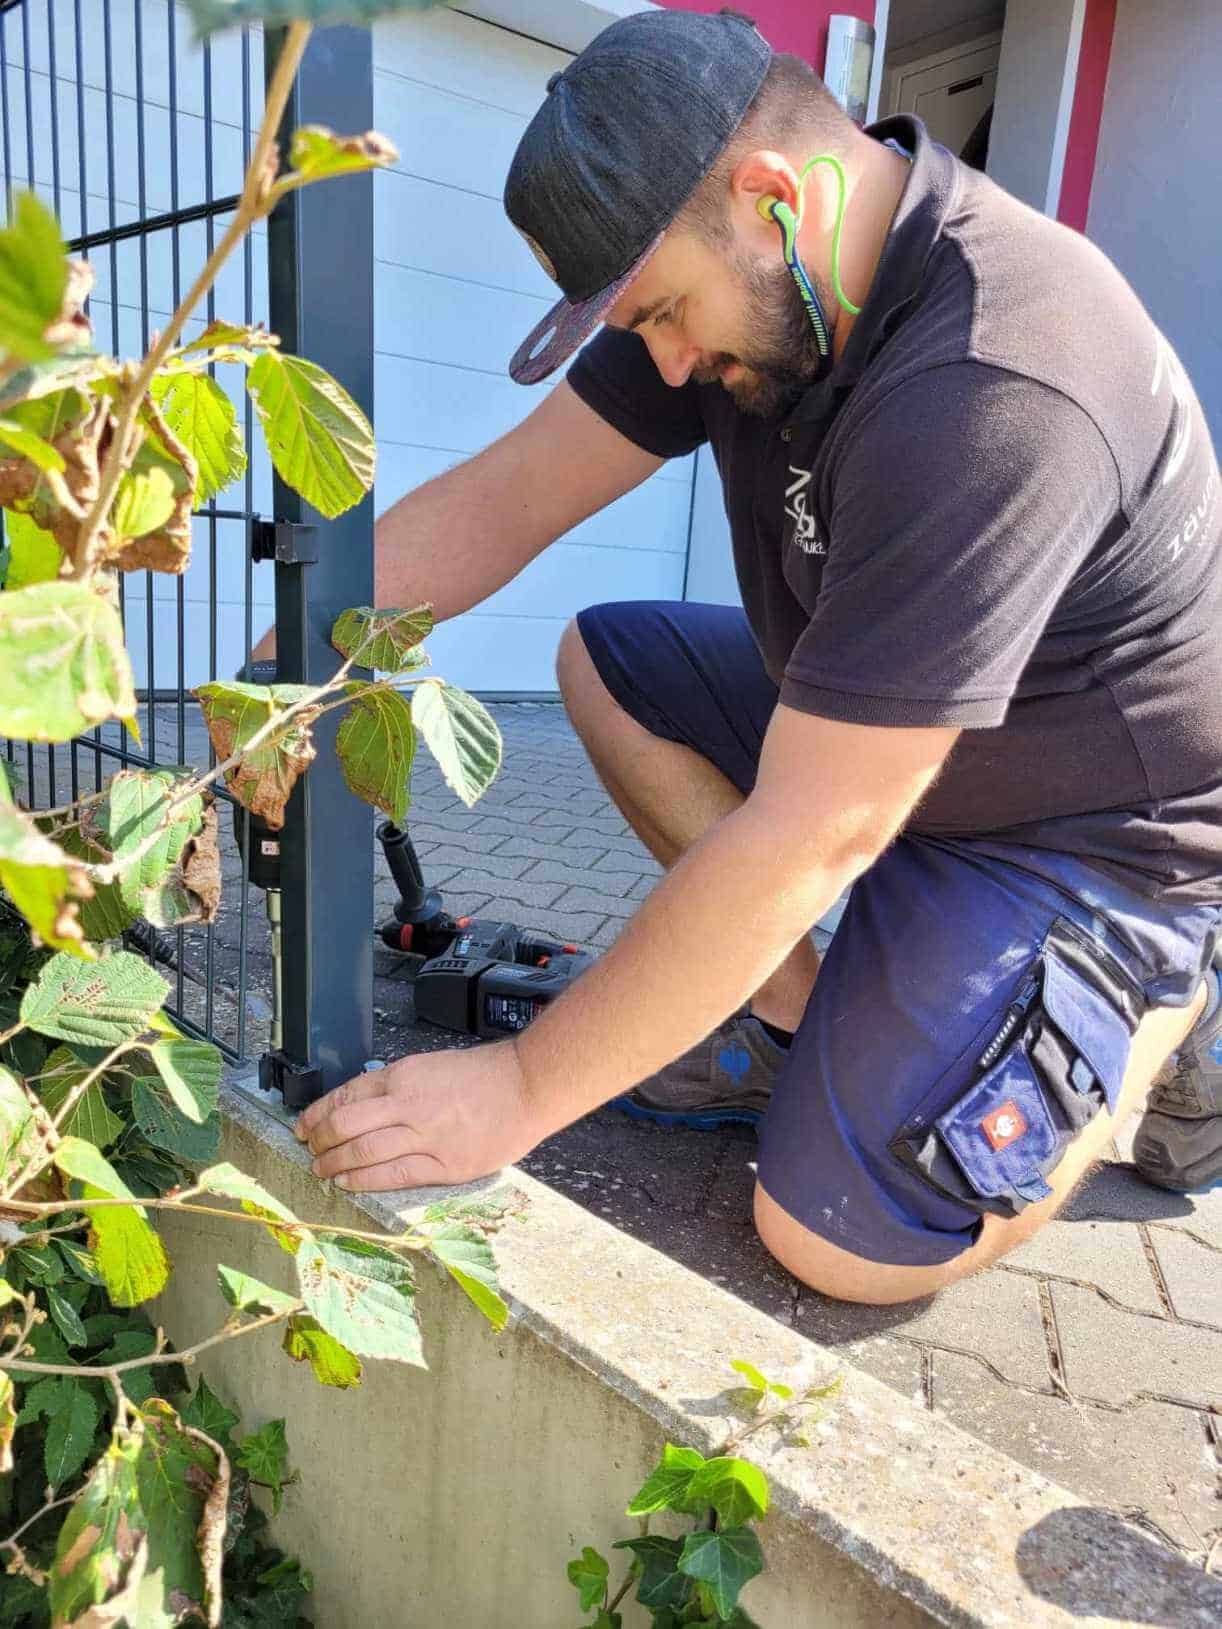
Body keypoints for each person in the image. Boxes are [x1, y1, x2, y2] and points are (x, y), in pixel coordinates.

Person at [293, 9, 1222, 1306]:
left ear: (775, 195)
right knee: (608, 667)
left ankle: (1175, 989)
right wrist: (286, 682)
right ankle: (805, 1017)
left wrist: (522, 1087)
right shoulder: (751, 273)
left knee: (836, 1239)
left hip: (1078, 831)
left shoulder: (998, 384)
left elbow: (805, 834)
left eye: (666, 311)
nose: (664, 360)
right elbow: (497, 506)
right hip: (897, 752)